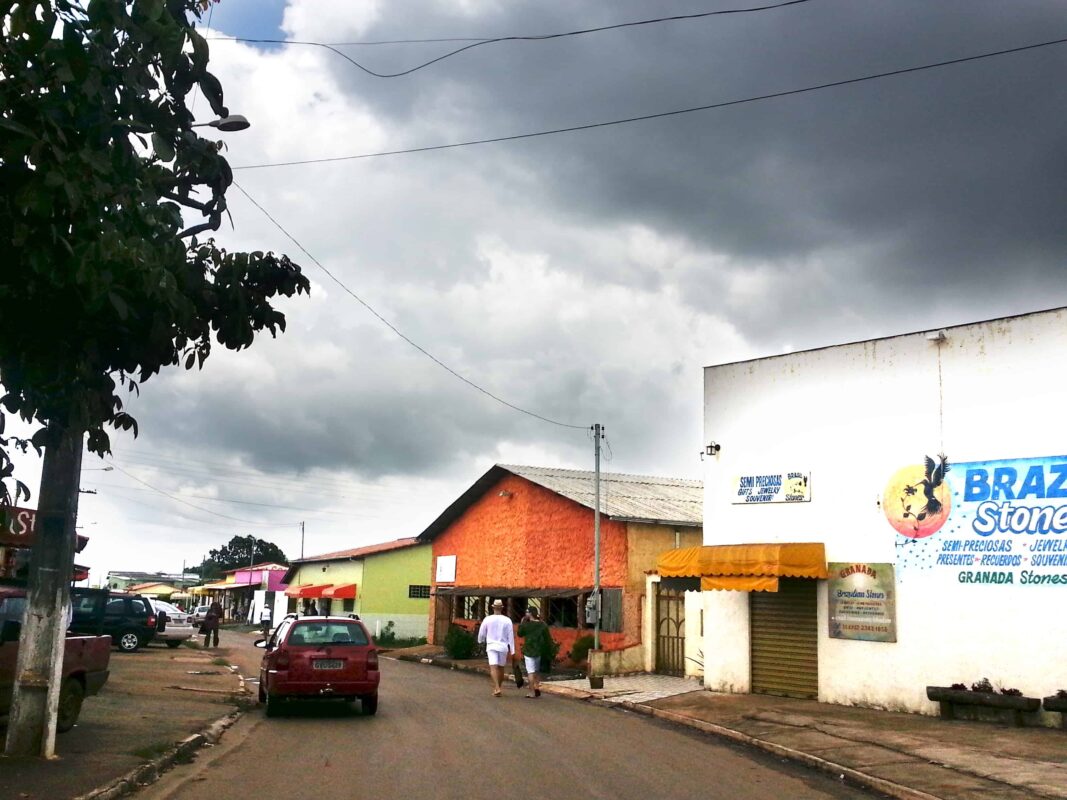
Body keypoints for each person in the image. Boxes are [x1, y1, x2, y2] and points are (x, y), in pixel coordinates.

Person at [477, 599, 516, 697]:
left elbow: (482, 633)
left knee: (493, 667)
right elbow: (510, 636)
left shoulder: (487, 619)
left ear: (493, 607)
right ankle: (498, 687)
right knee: (501, 667)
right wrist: (513, 651)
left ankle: (497, 687)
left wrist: (480, 641)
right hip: (503, 646)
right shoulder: (507, 620)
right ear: (502, 608)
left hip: (491, 646)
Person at [517, 606, 550, 698]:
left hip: (529, 650)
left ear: (530, 613)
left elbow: (519, 634)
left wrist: (521, 623)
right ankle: (536, 687)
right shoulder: (543, 624)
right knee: (537, 670)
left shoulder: (526, 624)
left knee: (530, 672)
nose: (526, 614)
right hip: (540, 650)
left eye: (527, 612)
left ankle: (531, 692)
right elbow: (547, 638)